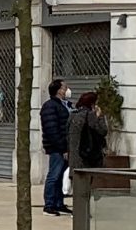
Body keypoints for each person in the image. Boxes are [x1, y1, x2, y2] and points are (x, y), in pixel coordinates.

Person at [39, 78, 73, 216]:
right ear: (59, 90)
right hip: (57, 148)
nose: (67, 90)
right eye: (65, 87)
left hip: (63, 147)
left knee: (59, 176)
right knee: (54, 175)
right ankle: (49, 205)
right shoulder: (50, 106)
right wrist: (62, 148)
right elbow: (52, 129)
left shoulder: (64, 105)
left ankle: (59, 204)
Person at [69, 91, 111, 174]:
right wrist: (100, 116)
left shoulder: (73, 115)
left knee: (78, 184)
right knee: (88, 184)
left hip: (74, 158)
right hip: (88, 158)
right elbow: (103, 131)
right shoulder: (90, 115)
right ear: (92, 104)